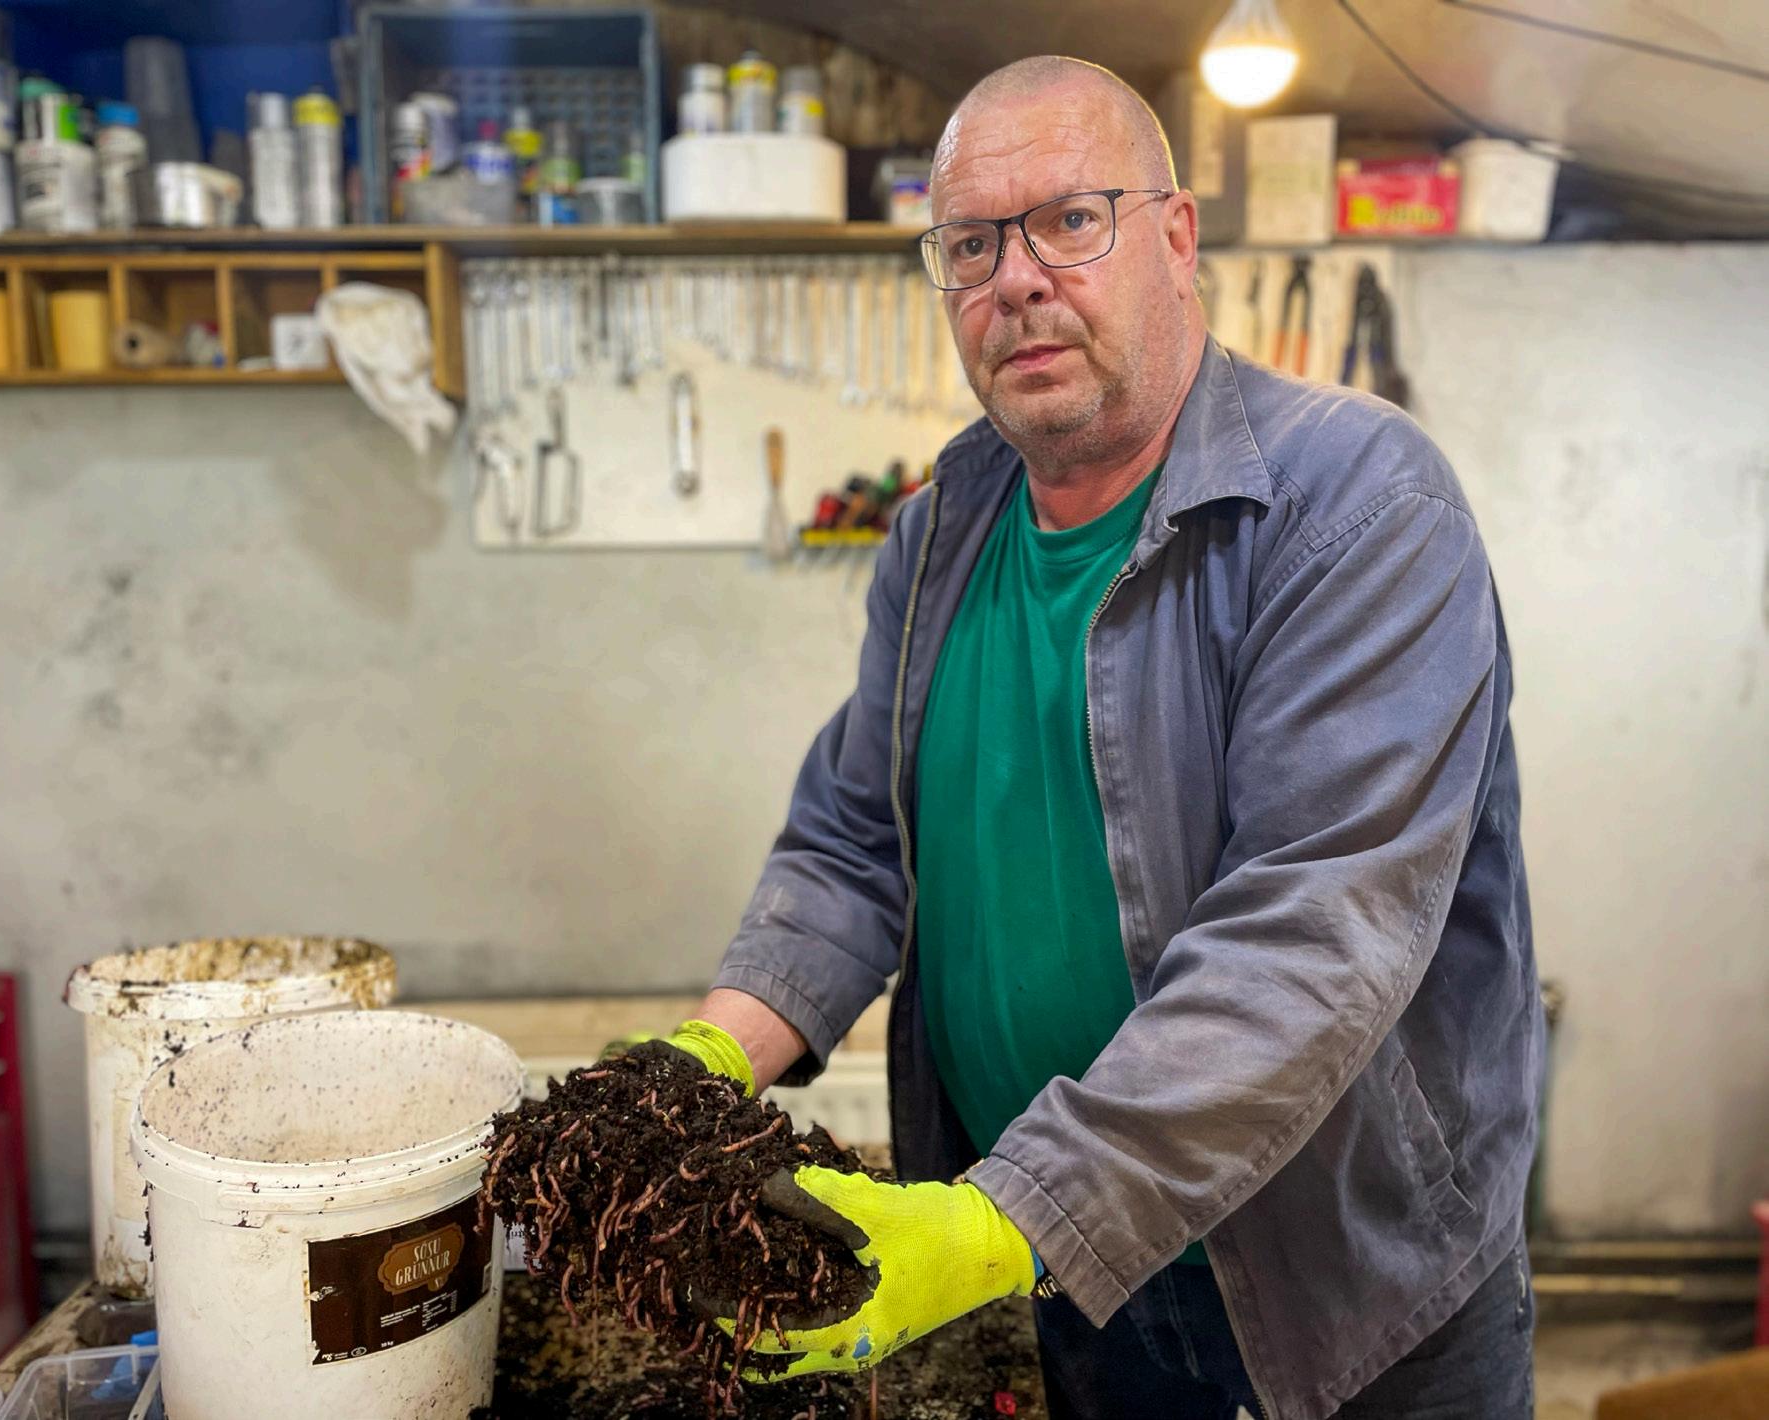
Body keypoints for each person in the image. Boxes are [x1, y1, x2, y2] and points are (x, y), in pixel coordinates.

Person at [641, 55, 1543, 1420]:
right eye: (970, 244)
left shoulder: (1359, 506)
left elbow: (1312, 936)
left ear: (1175, 238)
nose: (1015, 279)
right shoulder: (937, 533)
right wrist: (697, 1066)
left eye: (1069, 220)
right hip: (1077, 1286)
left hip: (1339, 1302)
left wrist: (1004, 1216)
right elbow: (854, 841)